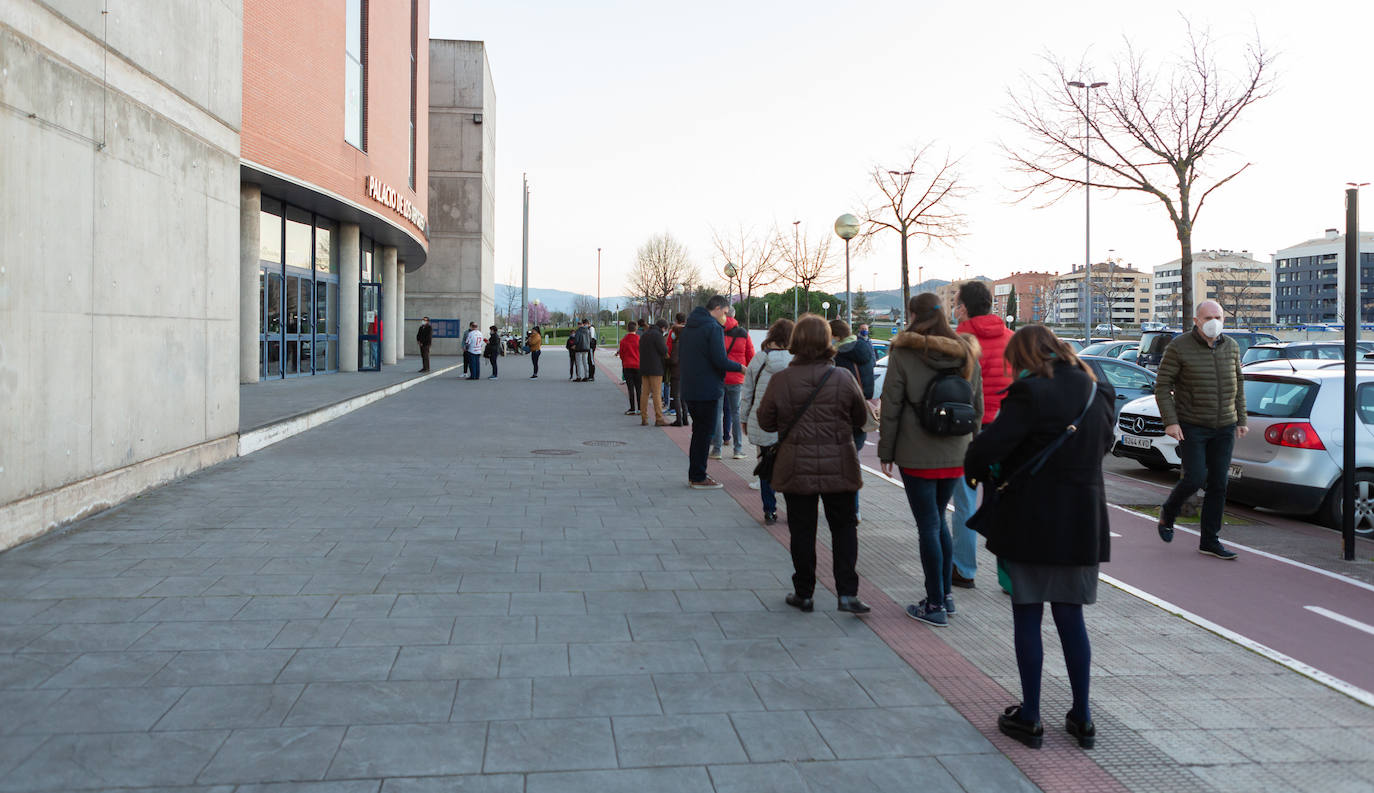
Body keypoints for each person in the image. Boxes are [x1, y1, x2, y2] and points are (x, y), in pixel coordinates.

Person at [963, 325, 1116, 750]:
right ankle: (1082, 717)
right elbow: (1104, 443)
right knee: (1071, 618)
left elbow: (989, 447)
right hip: (1083, 520)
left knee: (1028, 615)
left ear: (1027, 357)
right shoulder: (1096, 388)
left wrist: (978, 468)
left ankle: (1030, 717)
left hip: (1031, 520)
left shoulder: (1032, 393)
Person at [877, 293, 983, 627]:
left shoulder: (903, 352)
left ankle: (934, 604)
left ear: (912, 315)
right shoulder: (966, 351)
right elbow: (976, 405)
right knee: (938, 519)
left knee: (929, 525)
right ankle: (946, 598)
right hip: (956, 449)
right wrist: (971, 446)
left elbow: (891, 405)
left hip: (916, 453)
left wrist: (886, 452)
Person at [757, 315, 871, 615]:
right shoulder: (843, 378)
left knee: (802, 530)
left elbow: (765, 419)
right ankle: (847, 593)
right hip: (840, 465)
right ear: (827, 341)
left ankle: (804, 592)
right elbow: (861, 419)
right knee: (844, 528)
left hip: (796, 466)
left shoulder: (781, 379)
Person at [1155, 300, 1247, 560]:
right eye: (1207, 317)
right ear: (1196, 321)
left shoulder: (1231, 346)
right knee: (1195, 478)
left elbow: (1238, 384)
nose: (1213, 321)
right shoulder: (1179, 347)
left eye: (1218, 316)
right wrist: (1170, 422)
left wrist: (1241, 419)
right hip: (1192, 425)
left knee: (1219, 483)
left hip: (1225, 426)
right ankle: (1169, 512)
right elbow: (1162, 386)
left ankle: (1209, 540)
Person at [949, 280, 1016, 589]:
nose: (953, 308)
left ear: (964, 308)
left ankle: (964, 570)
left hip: (968, 432)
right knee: (1006, 503)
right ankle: (1012, 578)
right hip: (1006, 433)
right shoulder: (1012, 340)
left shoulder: (957, 342)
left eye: (956, 303)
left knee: (964, 501)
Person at [678, 296, 744, 489]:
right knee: (704, 434)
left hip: (690, 388)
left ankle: (696, 473)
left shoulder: (689, 327)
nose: (725, 318)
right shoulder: (713, 328)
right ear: (717, 308)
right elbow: (720, 360)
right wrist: (740, 367)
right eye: (724, 313)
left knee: (698, 432)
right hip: (707, 389)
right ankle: (698, 476)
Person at [740, 318, 794, 525]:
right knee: (790, 466)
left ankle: (769, 510)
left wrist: (744, 418)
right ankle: (793, 509)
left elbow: (747, 393)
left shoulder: (759, 359)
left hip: (762, 420)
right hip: (790, 423)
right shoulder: (796, 360)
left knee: (766, 465)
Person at [832, 318, 875, 522]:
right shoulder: (866, 350)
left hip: (841, 413)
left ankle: (844, 505)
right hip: (861, 412)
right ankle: (854, 508)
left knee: (839, 461)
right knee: (854, 459)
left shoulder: (839, 357)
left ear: (837, 337)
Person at [711, 308, 755, 460]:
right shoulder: (743, 333)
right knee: (736, 413)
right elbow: (750, 356)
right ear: (734, 316)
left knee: (717, 413)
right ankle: (738, 449)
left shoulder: (716, 331)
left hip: (718, 378)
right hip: (736, 378)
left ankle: (717, 450)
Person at [638, 319, 670, 426]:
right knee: (657, 394)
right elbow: (664, 350)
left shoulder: (645, 334)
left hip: (644, 368)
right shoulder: (658, 335)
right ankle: (659, 418)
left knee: (644, 393)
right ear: (663, 328)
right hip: (656, 368)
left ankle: (644, 417)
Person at [667, 313, 688, 427]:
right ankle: (685, 418)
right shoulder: (691, 333)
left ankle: (678, 419)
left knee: (676, 395)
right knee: (684, 395)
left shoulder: (674, 336)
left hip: (676, 370)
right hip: (687, 370)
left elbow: (670, 353)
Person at [617, 321, 642, 414]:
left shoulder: (623, 341)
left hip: (627, 365)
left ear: (627, 329)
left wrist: (624, 360)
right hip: (638, 365)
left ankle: (632, 408)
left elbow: (622, 354)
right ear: (636, 329)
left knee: (630, 388)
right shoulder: (639, 339)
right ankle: (640, 408)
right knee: (639, 388)